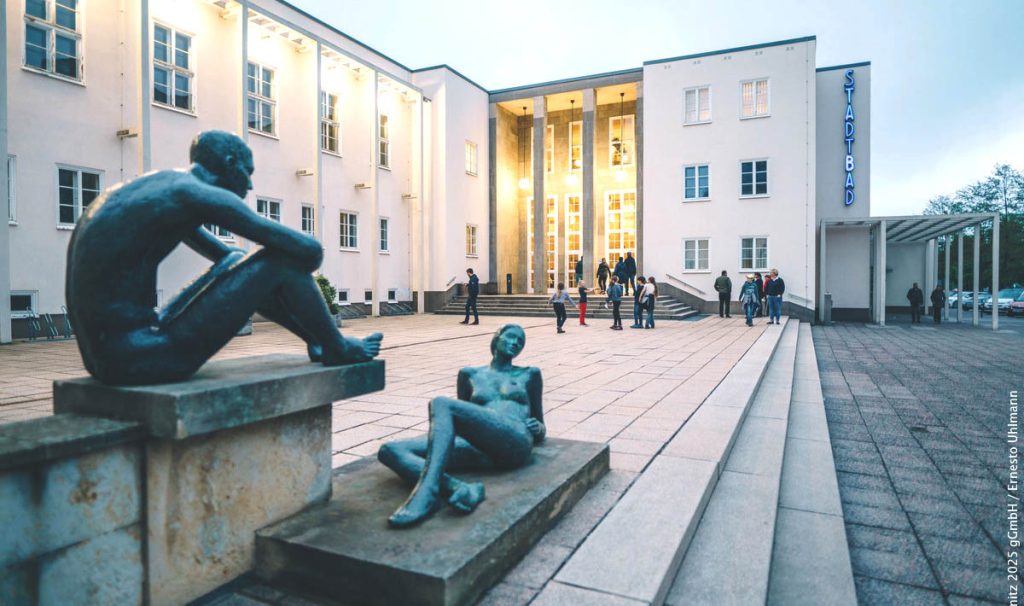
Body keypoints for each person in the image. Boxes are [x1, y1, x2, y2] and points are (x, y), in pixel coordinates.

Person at [65, 130, 382, 385]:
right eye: (248, 172)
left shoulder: (162, 189)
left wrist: (251, 276)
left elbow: (231, 259)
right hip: (143, 358)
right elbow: (309, 252)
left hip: (111, 358)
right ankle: (336, 346)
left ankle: (319, 342)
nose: (250, 183)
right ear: (231, 163)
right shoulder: (197, 194)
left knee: (237, 260)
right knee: (282, 260)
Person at [377, 324, 544, 527]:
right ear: (497, 337)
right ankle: (457, 488)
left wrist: (539, 429)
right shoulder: (469, 374)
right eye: (511, 337)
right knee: (390, 450)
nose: (515, 343)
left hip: (514, 441)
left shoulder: (529, 374)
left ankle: (427, 492)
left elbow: (540, 424)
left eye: (520, 342)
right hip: (478, 447)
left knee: (441, 403)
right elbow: (461, 418)